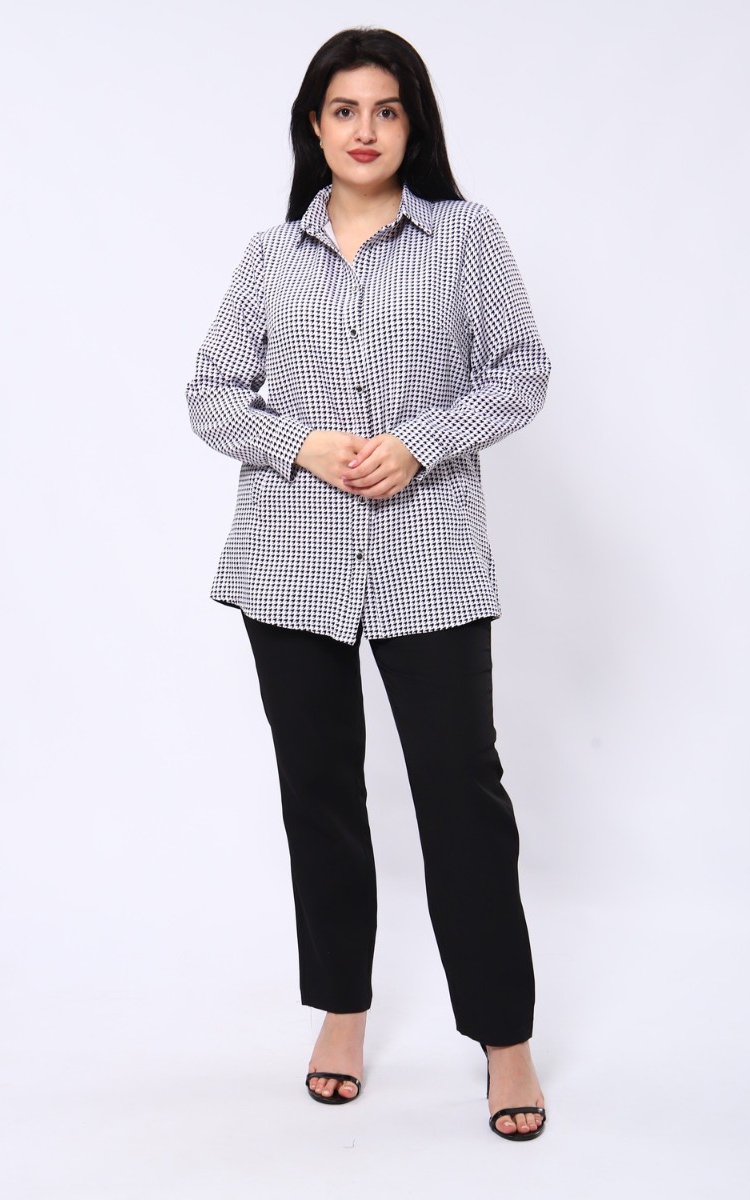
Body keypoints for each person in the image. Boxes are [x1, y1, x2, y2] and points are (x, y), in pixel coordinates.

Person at [186, 27, 551, 1141]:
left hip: (428, 560)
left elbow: (522, 370)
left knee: (461, 798)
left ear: (412, 124)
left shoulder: (464, 239)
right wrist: (299, 443)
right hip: (288, 562)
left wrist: (420, 444)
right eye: (343, 109)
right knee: (321, 799)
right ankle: (341, 1012)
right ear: (314, 124)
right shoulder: (269, 257)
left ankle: (504, 1039)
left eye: (386, 110)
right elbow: (210, 393)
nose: (364, 130)